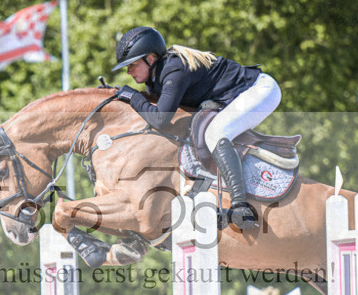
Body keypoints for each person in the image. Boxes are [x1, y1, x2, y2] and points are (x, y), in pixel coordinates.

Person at [111, 26, 281, 230]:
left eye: (132, 64)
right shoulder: (155, 78)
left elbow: (160, 119)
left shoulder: (174, 69)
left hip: (259, 91)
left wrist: (133, 97)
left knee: (216, 133)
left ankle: (241, 208)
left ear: (150, 58)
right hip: (229, 98)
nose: (128, 71)